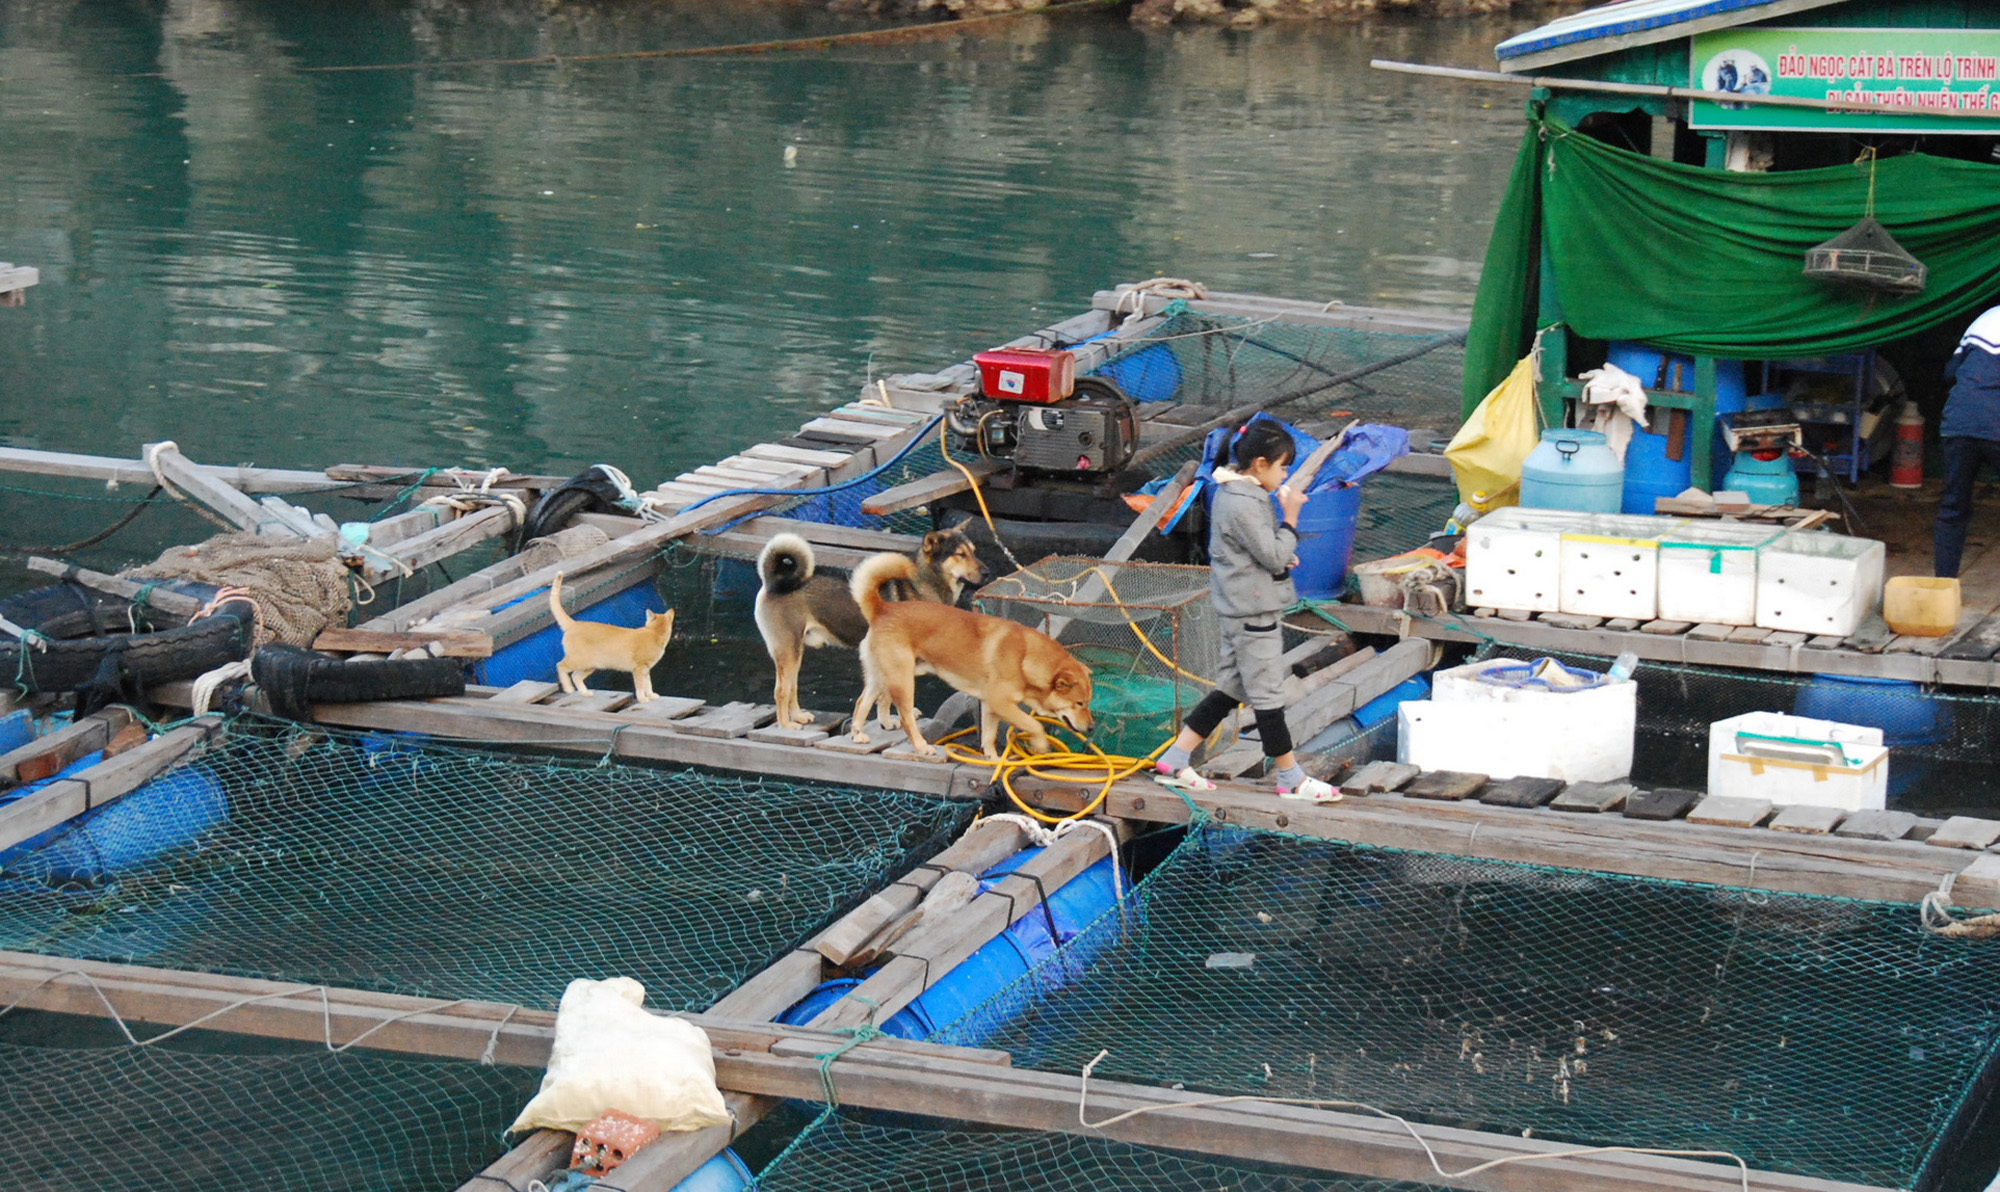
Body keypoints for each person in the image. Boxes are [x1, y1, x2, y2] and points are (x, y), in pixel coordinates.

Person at [1153, 420, 1340, 803]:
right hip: (1252, 614)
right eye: (1282, 467)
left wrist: (1281, 556)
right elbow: (1272, 552)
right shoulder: (1242, 502)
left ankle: (1175, 759)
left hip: (1240, 606)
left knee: (1230, 689)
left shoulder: (1237, 494)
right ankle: (1291, 778)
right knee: (1269, 696)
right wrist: (1290, 517)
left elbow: (1256, 553)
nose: (1284, 475)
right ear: (1260, 464)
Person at [1934, 303, 2000, 578]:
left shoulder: (1985, 319)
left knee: (1953, 508)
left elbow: (1950, 373)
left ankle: (1943, 585)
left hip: (1959, 423)